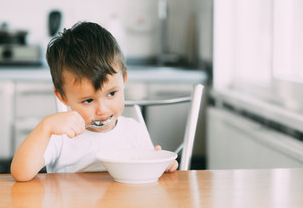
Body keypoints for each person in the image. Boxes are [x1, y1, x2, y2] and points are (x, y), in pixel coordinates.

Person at [11, 21, 178, 181]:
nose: (103, 110)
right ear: (63, 97)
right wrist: (45, 128)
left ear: (123, 79)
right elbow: (20, 173)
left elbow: (146, 179)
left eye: (111, 93)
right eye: (88, 100)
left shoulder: (135, 131)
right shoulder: (60, 136)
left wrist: (161, 166)